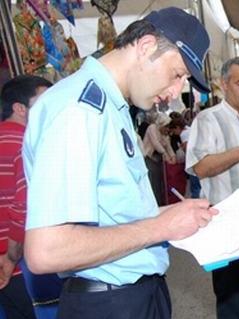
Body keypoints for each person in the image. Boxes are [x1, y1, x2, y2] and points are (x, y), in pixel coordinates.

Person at [22, 7, 217, 319]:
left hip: (137, 293)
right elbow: (48, 250)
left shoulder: (113, 107)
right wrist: (160, 226)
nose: (174, 91)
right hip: (109, 303)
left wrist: (176, 216)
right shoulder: (79, 110)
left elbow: (114, 213)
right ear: (146, 46)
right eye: (177, 74)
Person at [185, 57, 239, 319]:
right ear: (224, 84)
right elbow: (200, 167)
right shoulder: (207, 119)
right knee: (232, 298)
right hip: (225, 224)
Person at [0, 75, 55, 319]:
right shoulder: (25, 143)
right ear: (20, 108)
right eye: (43, 104)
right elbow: (22, 205)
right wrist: (11, 257)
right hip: (16, 265)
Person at [143, 113, 175, 205]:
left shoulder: (164, 133)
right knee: (153, 183)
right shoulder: (152, 128)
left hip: (158, 160)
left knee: (160, 184)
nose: (167, 129)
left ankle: (161, 203)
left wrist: (173, 157)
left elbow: (168, 146)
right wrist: (166, 155)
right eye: (166, 126)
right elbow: (156, 143)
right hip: (149, 159)